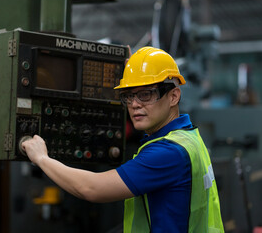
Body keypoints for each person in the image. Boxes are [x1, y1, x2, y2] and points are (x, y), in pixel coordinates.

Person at [22, 47, 224, 232]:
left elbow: (90, 188)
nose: (134, 104)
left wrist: (42, 158)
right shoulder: (189, 137)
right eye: (129, 95)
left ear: (173, 96)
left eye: (146, 94)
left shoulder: (168, 152)